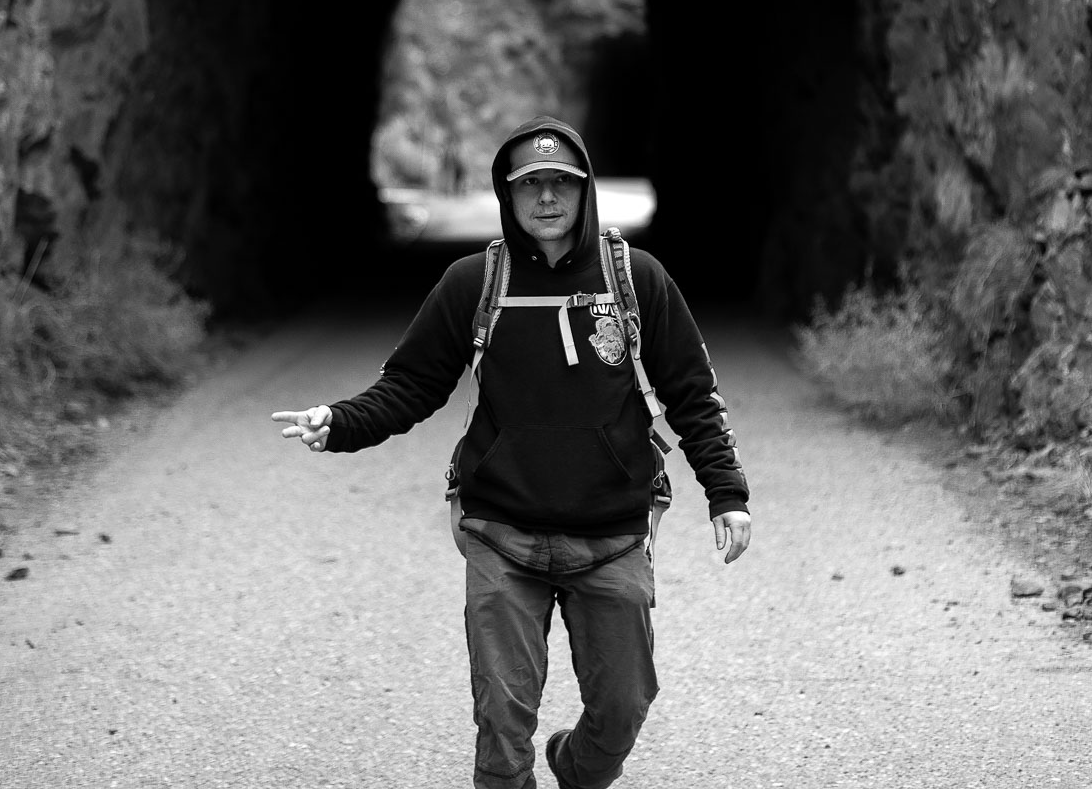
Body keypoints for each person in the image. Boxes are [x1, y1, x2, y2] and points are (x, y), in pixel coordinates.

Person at [273, 116, 751, 789]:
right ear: (507, 193)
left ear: (584, 192)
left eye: (562, 183)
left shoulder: (635, 279)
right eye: (531, 185)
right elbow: (412, 383)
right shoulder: (475, 283)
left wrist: (726, 494)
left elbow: (692, 393)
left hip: (611, 534)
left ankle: (574, 766)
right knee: (501, 726)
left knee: (621, 711)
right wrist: (340, 421)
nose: (547, 199)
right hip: (502, 533)